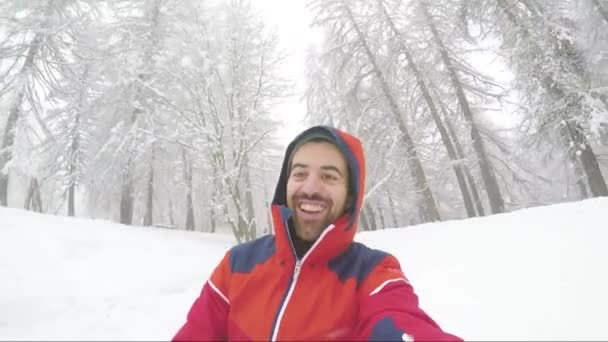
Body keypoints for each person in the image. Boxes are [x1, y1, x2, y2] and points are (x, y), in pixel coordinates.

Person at [173, 126, 462, 341]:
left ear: (350, 195)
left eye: (328, 176)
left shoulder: (374, 272)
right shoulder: (237, 264)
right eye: (299, 173)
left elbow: (401, 325)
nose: (310, 188)